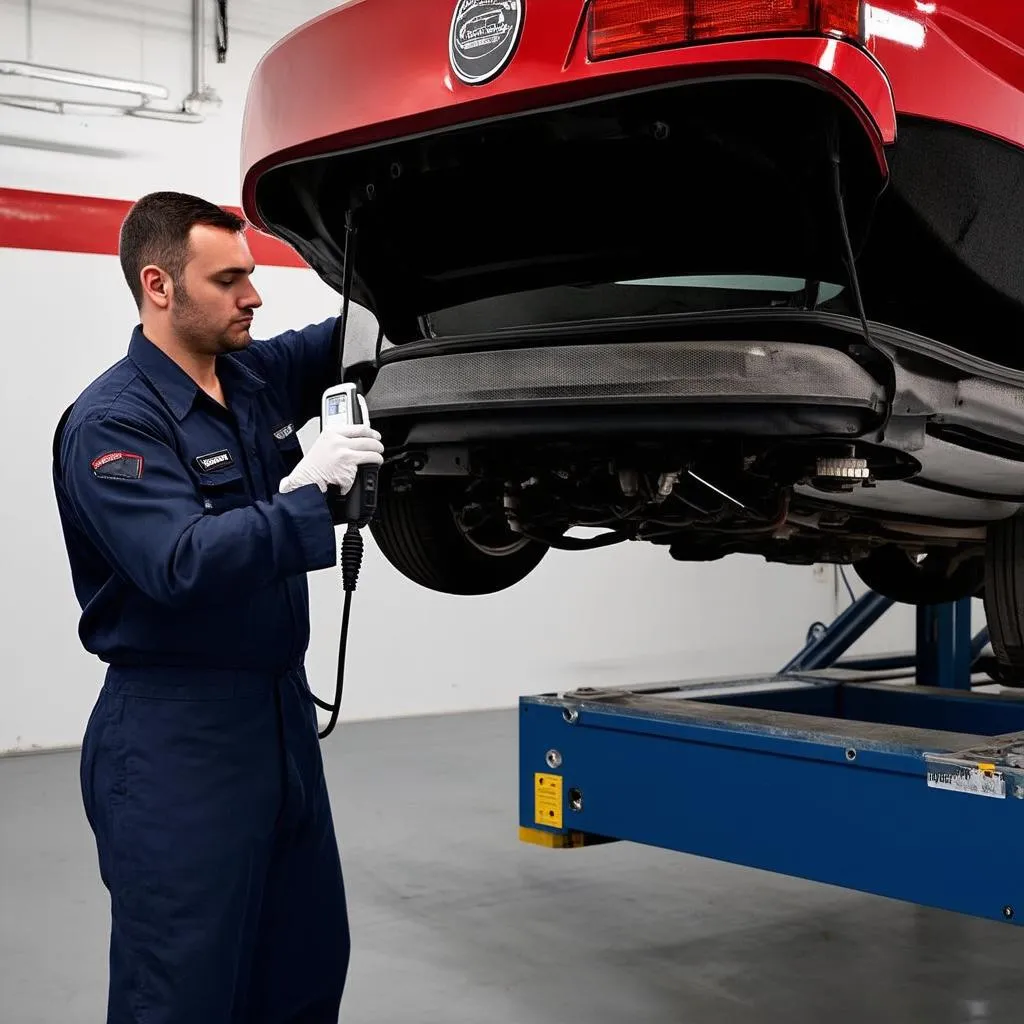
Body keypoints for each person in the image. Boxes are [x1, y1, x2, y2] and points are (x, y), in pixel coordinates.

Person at [51, 191, 383, 1023]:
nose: (255, 297)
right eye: (230, 278)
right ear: (158, 286)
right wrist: (309, 494)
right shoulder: (111, 421)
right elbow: (177, 562)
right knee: (183, 992)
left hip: (279, 722)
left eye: (253, 274)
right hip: (177, 740)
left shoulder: (251, 374)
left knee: (304, 971)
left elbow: (352, 337)